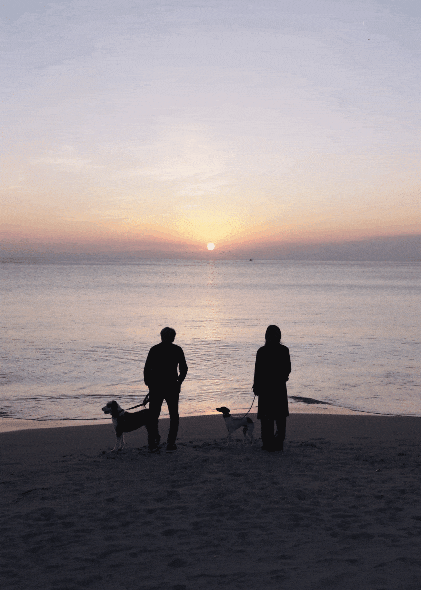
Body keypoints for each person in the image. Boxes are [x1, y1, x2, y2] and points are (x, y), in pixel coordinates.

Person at [143, 327, 188, 452]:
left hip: (157, 387)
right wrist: (179, 381)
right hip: (171, 386)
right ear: (173, 337)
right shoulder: (177, 349)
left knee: (153, 416)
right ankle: (170, 443)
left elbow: (147, 370)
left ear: (161, 336)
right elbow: (184, 369)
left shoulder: (154, 349)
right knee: (173, 416)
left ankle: (153, 443)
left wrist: (150, 385)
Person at [253, 325, 291, 452]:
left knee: (268, 419)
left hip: (266, 389)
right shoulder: (283, 350)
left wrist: (256, 386)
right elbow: (287, 370)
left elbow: (257, 372)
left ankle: (269, 443)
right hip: (278, 388)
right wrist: (282, 378)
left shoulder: (262, 351)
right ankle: (276, 443)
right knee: (279, 418)